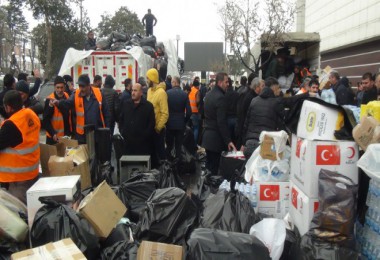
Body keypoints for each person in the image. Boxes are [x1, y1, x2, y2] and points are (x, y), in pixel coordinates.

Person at [0, 90, 40, 203]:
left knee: (20, 213)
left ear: (8, 107)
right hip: (32, 173)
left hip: (17, 180)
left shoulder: (11, 126)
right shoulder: (30, 114)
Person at [50, 74, 110, 144]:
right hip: (82, 136)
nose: (81, 89)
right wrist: (58, 103)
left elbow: (107, 113)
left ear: (88, 86)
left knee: (97, 154)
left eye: (83, 86)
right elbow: (67, 103)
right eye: (79, 86)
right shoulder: (76, 94)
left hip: (97, 134)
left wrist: (107, 131)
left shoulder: (99, 94)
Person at [202, 72, 236, 175]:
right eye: (226, 82)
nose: (228, 84)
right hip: (216, 139)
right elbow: (221, 122)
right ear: (220, 82)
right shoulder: (220, 98)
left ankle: (206, 188)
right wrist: (228, 141)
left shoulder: (208, 95)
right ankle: (211, 189)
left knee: (209, 168)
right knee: (214, 170)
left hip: (207, 138)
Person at [119, 83, 155, 156]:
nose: (132, 93)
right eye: (132, 90)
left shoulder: (148, 106)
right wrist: (123, 132)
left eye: (135, 91)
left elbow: (151, 124)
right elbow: (121, 120)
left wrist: (145, 136)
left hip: (143, 145)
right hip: (128, 144)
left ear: (141, 92)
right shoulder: (126, 104)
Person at [166, 76, 191, 160]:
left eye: (172, 82)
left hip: (169, 124)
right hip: (180, 124)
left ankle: (169, 165)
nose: (171, 83)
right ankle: (178, 166)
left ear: (175, 82)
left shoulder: (167, 93)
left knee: (169, 146)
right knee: (178, 147)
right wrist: (184, 121)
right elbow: (189, 112)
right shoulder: (184, 94)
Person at [146, 68, 168, 166]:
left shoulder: (162, 93)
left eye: (148, 78)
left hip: (158, 130)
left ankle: (163, 175)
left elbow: (165, 113)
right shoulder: (149, 91)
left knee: (160, 153)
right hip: (149, 129)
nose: (146, 80)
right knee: (152, 154)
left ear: (152, 78)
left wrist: (158, 128)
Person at [235, 78, 265, 149]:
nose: (264, 88)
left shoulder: (253, 96)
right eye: (262, 86)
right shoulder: (251, 98)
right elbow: (245, 118)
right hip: (246, 133)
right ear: (257, 87)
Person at [43, 76, 72, 144]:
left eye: (62, 87)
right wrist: (53, 133)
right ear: (54, 87)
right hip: (53, 137)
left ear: (64, 87)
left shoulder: (67, 96)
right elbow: (46, 120)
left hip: (66, 135)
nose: (60, 90)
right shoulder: (50, 99)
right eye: (58, 87)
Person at [225, 77, 239, 144]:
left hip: (227, 118)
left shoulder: (224, 95)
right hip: (236, 118)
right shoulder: (236, 94)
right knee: (235, 138)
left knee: (229, 138)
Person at [189, 77, 201, 143]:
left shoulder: (190, 90)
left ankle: (189, 142)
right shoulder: (197, 91)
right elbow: (197, 101)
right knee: (196, 128)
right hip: (195, 112)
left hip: (189, 112)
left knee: (190, 128)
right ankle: (194, 143)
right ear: (197, 85)